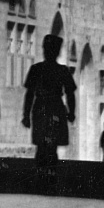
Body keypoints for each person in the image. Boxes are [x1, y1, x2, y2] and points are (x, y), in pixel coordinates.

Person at [22, 34, 77, 167]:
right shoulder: (62, 70)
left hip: (41, 108)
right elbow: (70, 94)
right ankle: (49, 171)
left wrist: (26, 115)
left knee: (43, 145)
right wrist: (71, 112)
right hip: (55, 108)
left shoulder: (36, 69)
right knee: (51, 145)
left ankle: (43, 171)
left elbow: (29, 94)